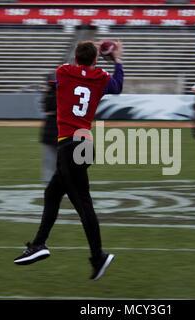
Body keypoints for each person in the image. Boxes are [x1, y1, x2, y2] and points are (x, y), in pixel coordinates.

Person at [14, 40, 124, 281]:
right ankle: (39, 244)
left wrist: (91, 54)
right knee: (53, 194)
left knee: (83, 204)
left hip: (69, 146)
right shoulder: (101, 77)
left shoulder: (64, 72)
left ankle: (98, 256)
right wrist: (115, 58)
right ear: (95, 61)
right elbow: (117, 86)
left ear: (75, 58)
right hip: (84, 145)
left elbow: (63, 76)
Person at [40, 72, 58, 184]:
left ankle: (48, 179)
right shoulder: (56, 95)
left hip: (51, 129)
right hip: (57, 130)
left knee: (49, 158)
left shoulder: (49, 96)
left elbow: (47, 108)